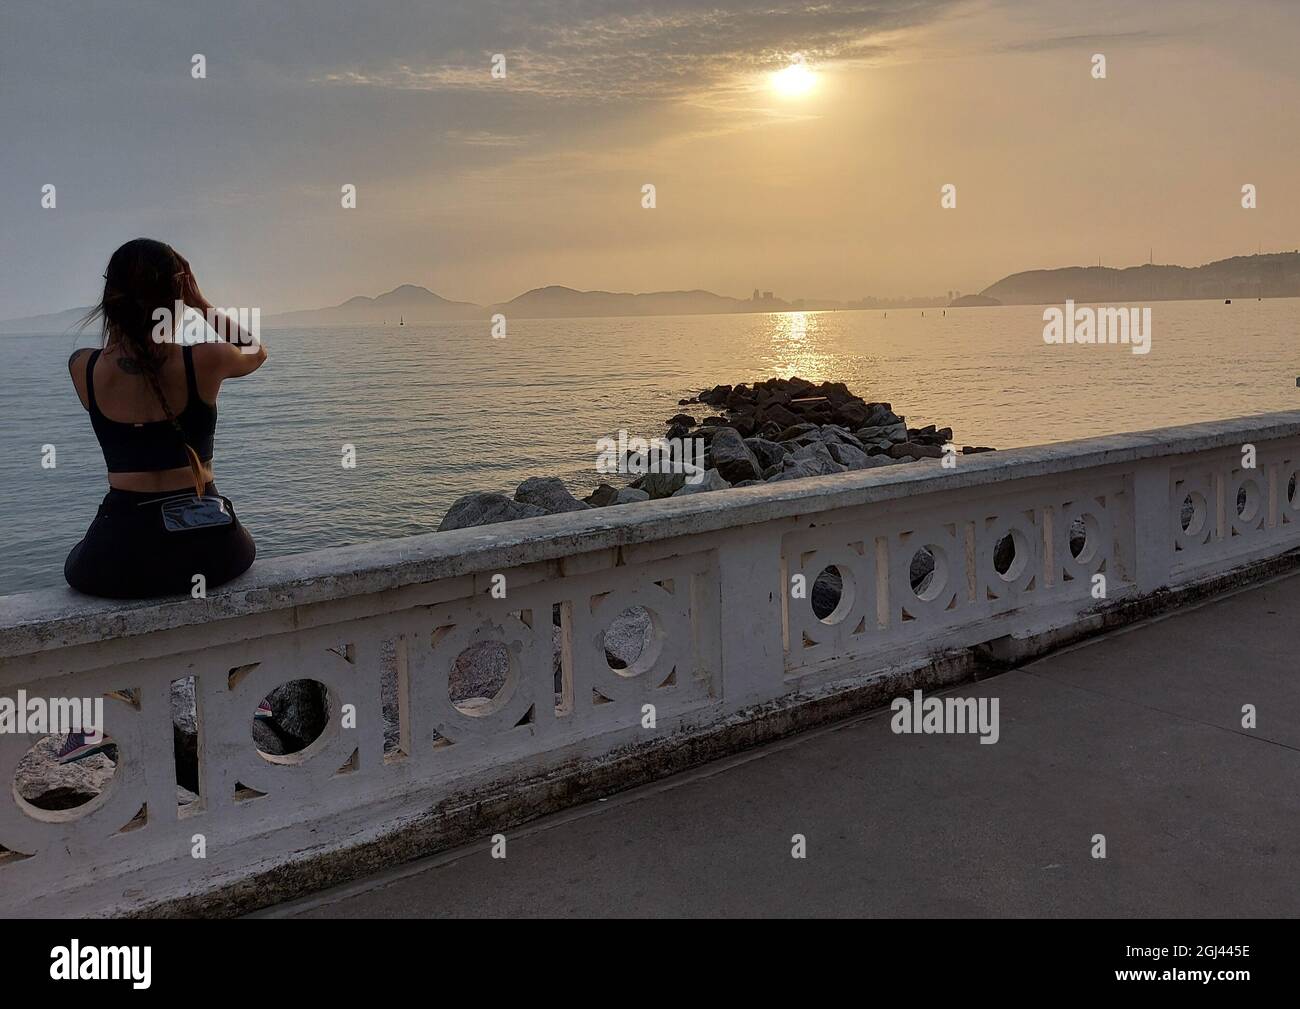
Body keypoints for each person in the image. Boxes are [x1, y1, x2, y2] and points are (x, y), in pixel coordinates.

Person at [58, 239, 268, 762]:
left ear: (109, 300)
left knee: (74, 570)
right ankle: (237, 690)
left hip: (121, 551)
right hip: (209, 545)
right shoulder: (206, 361)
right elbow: (257, 350)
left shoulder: (83, 368)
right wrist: (200, 305)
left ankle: (107, 712)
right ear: (176, 297)